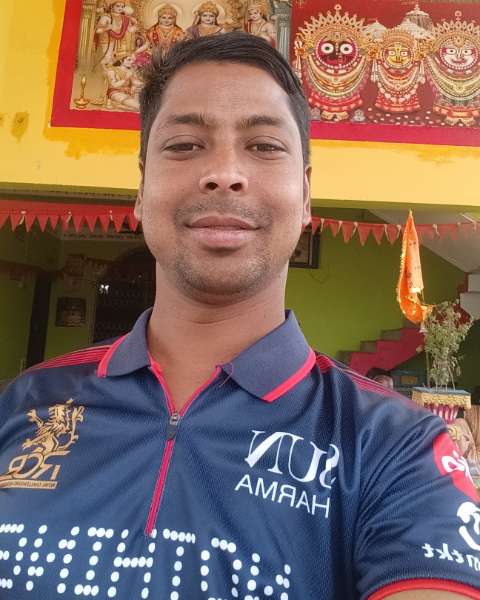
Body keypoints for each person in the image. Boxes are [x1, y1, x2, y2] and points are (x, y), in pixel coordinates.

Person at [0, 33, 479, 600]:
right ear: (141, 189)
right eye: (184, 145)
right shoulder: (24, 404)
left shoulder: (396, 447)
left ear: (305, 195)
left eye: (264, 146)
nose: (224, 173)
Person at [95, 0, 138, 66]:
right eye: (118, 6)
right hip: (107, 42)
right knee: (106, 60)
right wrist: (106, 28)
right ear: (112, 6)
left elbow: (130, 30)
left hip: (120, 44)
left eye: (122, 6)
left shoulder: (125, 18)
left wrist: (135, 24)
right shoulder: (106, 17)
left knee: (119, 62)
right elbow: (98, 30)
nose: (120, 8)